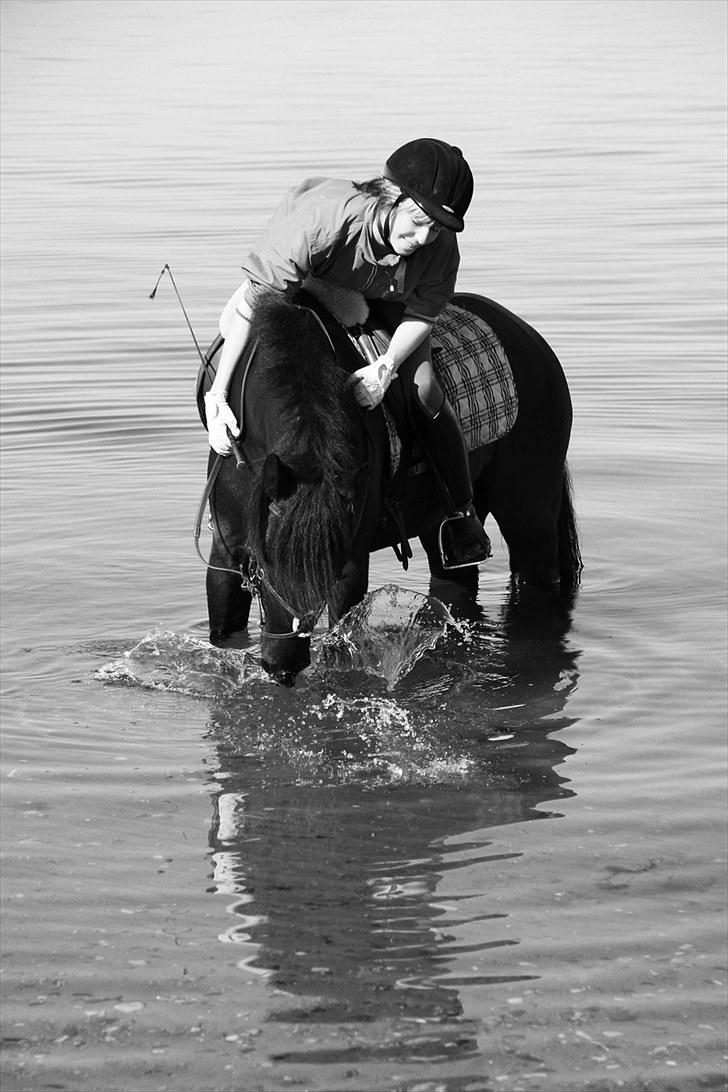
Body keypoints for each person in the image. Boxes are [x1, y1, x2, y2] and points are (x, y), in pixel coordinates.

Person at [204, 138, 490, 569]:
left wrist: (386, 367)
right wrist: (219, 393)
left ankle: (459, 512)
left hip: (387, 298)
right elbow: (258, 298)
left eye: (436, 228)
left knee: (424, 390)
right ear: (390, 195)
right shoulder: (323, 218)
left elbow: (423, 314)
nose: (423, 238)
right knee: (226, 370)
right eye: (417, 222)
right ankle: (226, 497)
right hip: (304, 282)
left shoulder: (440, 247)